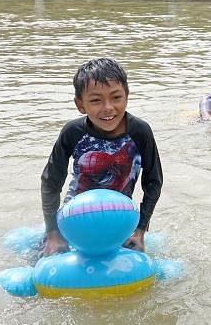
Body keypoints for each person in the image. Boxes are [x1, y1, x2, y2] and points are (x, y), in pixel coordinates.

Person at [40, 58, 163, 256]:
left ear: (127, 96)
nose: (108, 108)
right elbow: (51, 182)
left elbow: (153, 182)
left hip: (119, 217)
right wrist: (53, 233)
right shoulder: (73, 132)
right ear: (80, 104)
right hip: (76, 216)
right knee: (40, 259)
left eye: (116, 97)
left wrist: (140, 230)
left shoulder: (140, 131)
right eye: (96, 100)